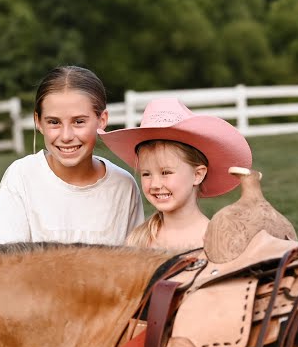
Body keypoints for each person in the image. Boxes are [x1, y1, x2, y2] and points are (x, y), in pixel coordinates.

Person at [0, 66, 143, 245]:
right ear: (38, 122)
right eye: (54, 122)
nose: (66, 136)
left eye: (79, 122)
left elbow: (134, 263)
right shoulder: (22, 177)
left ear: (101, 120)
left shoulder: (123, 186)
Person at [100, 98, 252, 251]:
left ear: (197, 175)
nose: (155, 184)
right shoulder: (138, 241)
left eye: (166, 172)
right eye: (146, 174)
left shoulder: (217, 242)